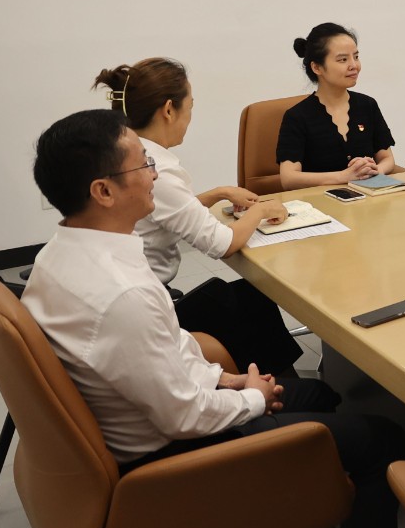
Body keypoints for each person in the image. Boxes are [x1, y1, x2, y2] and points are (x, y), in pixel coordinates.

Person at [21, 110, 405, 528]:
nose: (155, 175)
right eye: (143, 164)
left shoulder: (60, 253)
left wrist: (225, 378)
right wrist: (252, 397)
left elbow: (163, 351)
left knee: (319, 395)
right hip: (177, 457)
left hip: (154, 415)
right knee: (381, 438)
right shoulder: (123, 295)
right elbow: (183, 417)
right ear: (103, 191)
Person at [94, 58, 300, 373]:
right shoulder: (155, 168)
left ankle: (281, 379)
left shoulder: (123, 152)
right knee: (248, 304)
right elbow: (223, 244)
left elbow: (163, 211)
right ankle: (283, 388)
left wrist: (217, 194)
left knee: (247, 296)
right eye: (190, 106)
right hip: (145, 314)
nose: (190, 116)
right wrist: (261, 210)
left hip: (124, 302)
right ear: (168, 110)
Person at [278, 22, 398, 189]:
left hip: (368, 197)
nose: (354, 66)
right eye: (343, 60)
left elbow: (387, 158)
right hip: (320, 201)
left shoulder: (367, 105)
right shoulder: (297, 116)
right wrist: (344, 176)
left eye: (356, 57)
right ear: (317, 67)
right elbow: (289, 178)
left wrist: (375, 170)